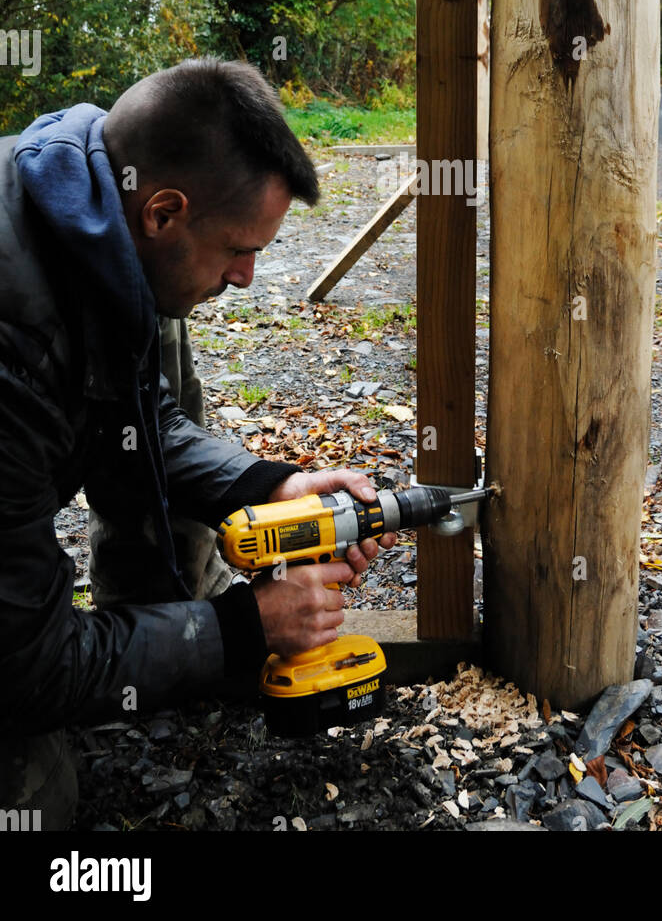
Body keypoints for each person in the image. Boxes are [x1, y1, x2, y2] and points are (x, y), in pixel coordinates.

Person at [0, 57, 395, 829]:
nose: (247, 278)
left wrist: (265, 487)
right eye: (238, 249)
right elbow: (24, 664)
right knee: (33, 800)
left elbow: (133, 417)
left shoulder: (85, 217)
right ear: (163, 212)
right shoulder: (12, 344)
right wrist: (246, 629)